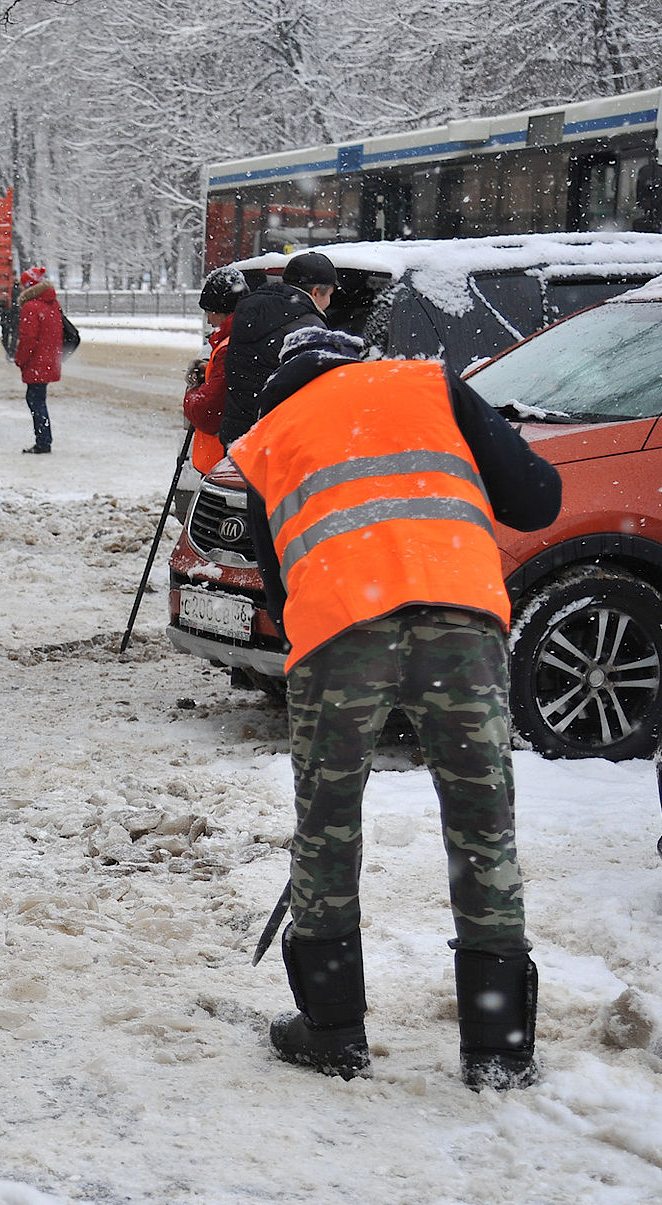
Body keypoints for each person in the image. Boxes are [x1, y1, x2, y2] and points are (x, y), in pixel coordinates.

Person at [229, 326, 562, 1091]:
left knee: (327, 827)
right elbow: (537, 501)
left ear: (281, 379)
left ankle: (332, 1029)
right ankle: (498, 1047)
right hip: (461, 617)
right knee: (482, 823)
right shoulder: (427, 386)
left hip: (341, 629)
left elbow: (277, 592)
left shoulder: (267, 437)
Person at [219, 251, 336, 448]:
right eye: (331, 295)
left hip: (237, 435)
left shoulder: (248, 308)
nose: (330, 303)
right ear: (316, 292)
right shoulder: (309, 326)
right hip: (275, 440)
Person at [183, 265, 249, 477]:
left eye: (209, 312)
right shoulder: (250, 335)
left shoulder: (228, 347)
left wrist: (192, 392)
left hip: (223, 461)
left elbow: (207, 414)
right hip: (241, 455)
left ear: (219, 310)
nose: (209, 320)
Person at [12, 266, 62, 454]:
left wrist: (20, 360)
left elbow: (28, 339)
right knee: (38, 399)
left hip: (36, 362)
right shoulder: (52, 303)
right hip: (49, 359)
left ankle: (43, 441)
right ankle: (44, 439)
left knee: (36, 401)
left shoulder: (30, 307)